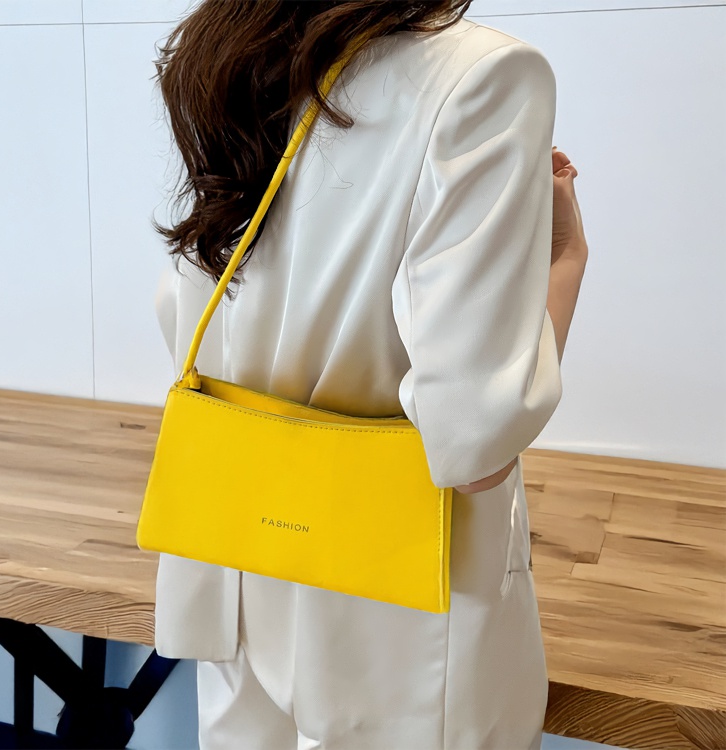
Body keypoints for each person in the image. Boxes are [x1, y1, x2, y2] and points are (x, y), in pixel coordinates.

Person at [150, 1, 588, 748]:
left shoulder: (231, 51)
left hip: (241, 569)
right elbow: (475, 446)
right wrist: (565, 261)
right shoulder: (484, 76)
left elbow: (187, 307)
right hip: (402, 632)